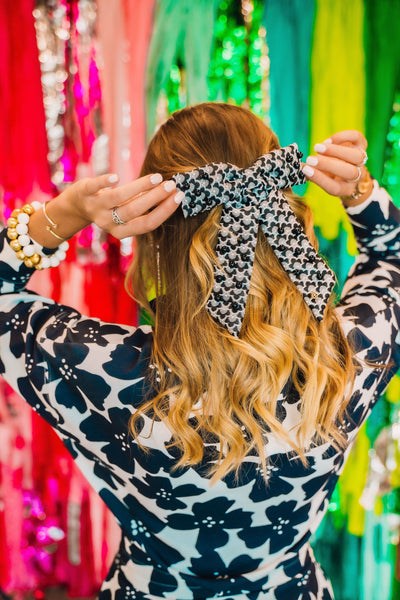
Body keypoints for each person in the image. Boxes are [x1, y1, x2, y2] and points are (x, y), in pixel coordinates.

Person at [0, 102, 399, 600]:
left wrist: (68, 212)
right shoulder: (351, 355)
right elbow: (390, 257)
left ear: (154, 236)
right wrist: (362, 194)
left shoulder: (101, 370)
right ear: (286, 218)